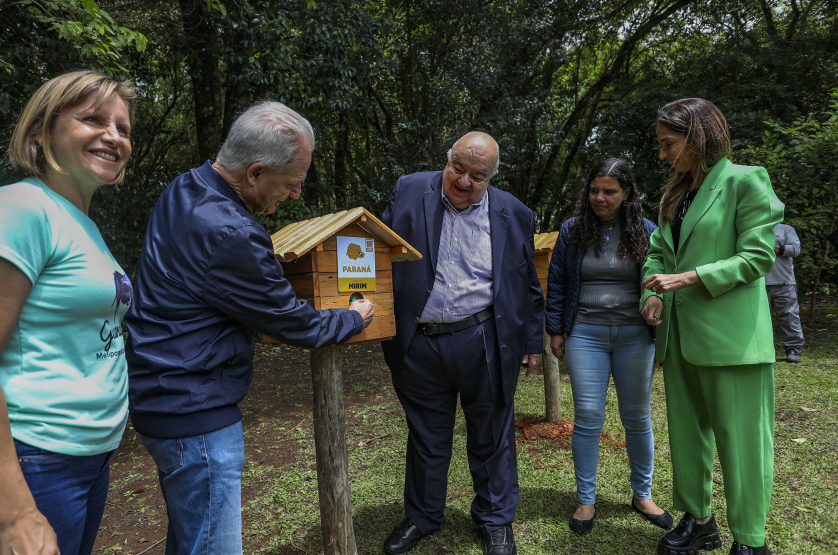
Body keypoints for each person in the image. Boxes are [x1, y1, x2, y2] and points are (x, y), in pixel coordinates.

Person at [125, 100, 374, 554]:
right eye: (291, 183)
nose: (296, 194)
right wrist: (353, 317)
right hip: (194, 412)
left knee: (191, 540)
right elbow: (295, 323)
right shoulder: (232, 232)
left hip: (162, 398)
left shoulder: (184, 188)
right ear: (255, 172)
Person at [0, 70, 136, 554]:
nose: (113, 136)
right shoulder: (17, 209)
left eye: (123, 128)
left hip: (84, 461)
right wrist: (16, 513)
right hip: (27, 462)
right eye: (92, 119)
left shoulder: (79, 224)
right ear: (41, 132)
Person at [379, 132, 544, 555]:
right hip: (419, 340)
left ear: (491, 178)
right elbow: (374, 252)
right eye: (458, 167)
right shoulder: (410, 189)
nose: (464, 181)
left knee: (492, 433)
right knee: (426, 435)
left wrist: (530, 341)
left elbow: (526, 283)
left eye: (478, 175)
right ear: (447, 158)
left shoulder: (514, 212)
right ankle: (422, 516)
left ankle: (494, 520)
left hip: (484, 336)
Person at [641, 98, 783, 555]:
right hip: (679, 336)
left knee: (742, 443)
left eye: (669, 144)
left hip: (733, 340)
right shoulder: (673, 195)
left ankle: (750, 539)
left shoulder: (746, 181)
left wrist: (690, 277)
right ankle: (699, 521)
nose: (663, 155)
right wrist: (651, 295)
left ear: (698, 135)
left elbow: (759, 256)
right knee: (686, 435)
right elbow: (658, 255)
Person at [545, 158, 671, 535]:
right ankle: (586, 499)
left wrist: (656, 302)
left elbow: (657, 278)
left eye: (610, 191)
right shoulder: (572, 230)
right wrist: (556, 330)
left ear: (627, 193)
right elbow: (558, 284)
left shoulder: (647, 230)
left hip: (635, 336)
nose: (599, 197)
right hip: (586, 334)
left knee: (637, 416)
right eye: (594, 190)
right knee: (586, 416)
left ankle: (642, 493)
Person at [765, 222, 805, 363]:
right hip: (757, 283)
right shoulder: (751, 226)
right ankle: (763, 350)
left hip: (784, 282)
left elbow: (795, 249)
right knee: (759, 320)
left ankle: (793, 349)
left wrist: (777, 248)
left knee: (790, 318)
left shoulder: (785, 229)